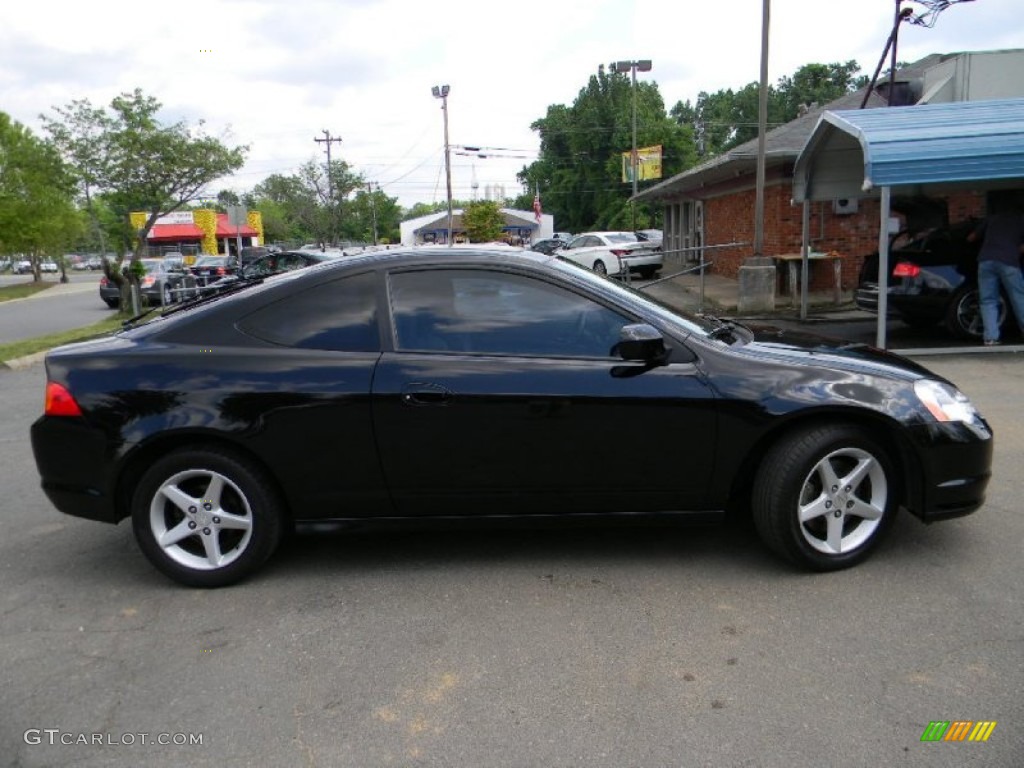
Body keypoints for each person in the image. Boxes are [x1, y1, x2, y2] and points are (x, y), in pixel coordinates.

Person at [968, 196, 1024, 345]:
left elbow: (971, 238)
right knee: (1018, 297)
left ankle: (991, 338)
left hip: (985, 260)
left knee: (988, 300)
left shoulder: (992, 218)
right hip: (1008, 261)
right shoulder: (1021, 219)